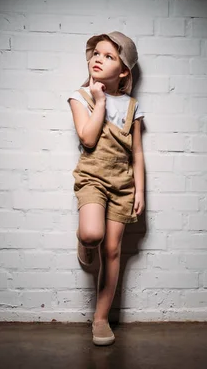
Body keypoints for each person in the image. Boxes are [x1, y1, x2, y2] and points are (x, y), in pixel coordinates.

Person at [67, 31, 145, 346]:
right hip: (93, 178)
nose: (98, 59)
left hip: (123, 184)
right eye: (96, 54)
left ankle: (101, 319)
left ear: (123, 70)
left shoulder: (132, 106)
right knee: (92, 234)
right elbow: (87, 138)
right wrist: (99, 100)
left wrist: (140, 191)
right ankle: (85, 245)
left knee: (113, 251)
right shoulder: (80, 96)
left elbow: (137, 153)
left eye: (109, 56)